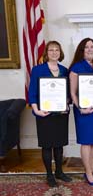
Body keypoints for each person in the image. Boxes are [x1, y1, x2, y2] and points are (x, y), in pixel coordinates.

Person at [28, 41, 72, 187]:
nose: (54, 52)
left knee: (59, 145)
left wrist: (66, 103)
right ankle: (49, 175)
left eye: (57, 50)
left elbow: (68, 93)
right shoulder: (37, 70)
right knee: (47, 146)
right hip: (44, 113)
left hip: (60, 114)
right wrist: (36, 110)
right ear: (46, 53)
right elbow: (32, 91)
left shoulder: (65, 70)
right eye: (51, 50)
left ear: (60, 53)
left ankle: (59, 172)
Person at [69, 38, 93, 186]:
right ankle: (88, 172)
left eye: (92, 47)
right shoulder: (76, 68)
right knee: (86, 141)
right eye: (86, 47)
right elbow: (73, 93)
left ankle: (92, 167)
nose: (90, 49)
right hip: (84, 111)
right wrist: (81, 109)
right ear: (81, 50)